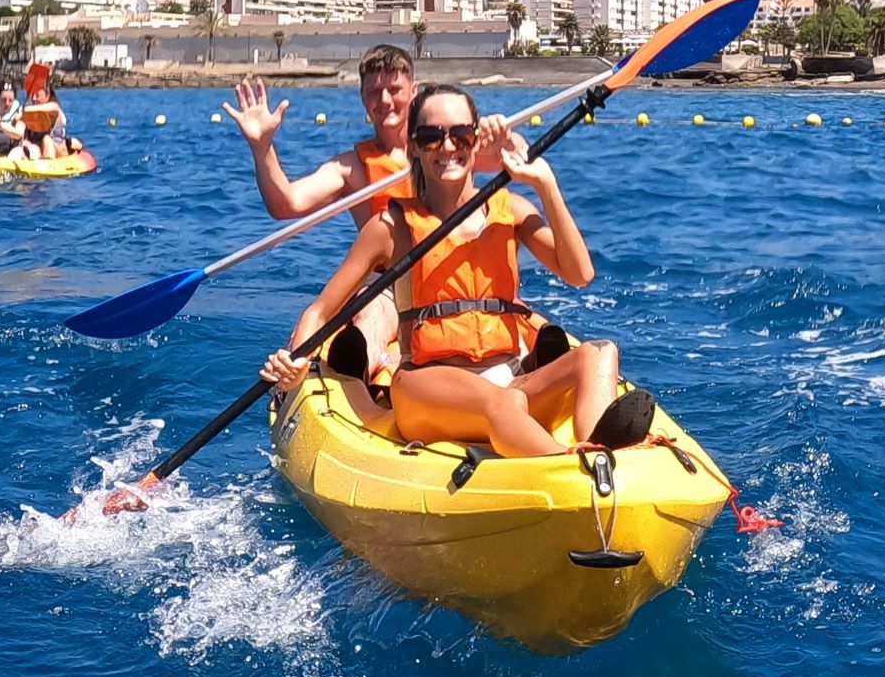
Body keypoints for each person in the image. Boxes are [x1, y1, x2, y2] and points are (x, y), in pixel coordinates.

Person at [260, 83, 653, 458]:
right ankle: (574, 468)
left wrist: (546, 185)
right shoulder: (390, 228)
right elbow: (320, 312)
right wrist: (294, 366)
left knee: (599, 353)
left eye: (461, 134)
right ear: (414, 146)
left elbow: (580, 274)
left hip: (509, 378)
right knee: (501, 403)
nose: (447, 146)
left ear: (476, 140)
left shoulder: (511, 210)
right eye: (431, 136)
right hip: (426, 388)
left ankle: (602, 453)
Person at [224, 45, 514, 378]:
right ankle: (362, 374)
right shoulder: (352, 168)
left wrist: (501, 135)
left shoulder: (455, 151)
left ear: (414, 92)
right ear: (363, 99)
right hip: (392, 286)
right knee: (372, 314)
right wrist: (262, 148)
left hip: (461, 279)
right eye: (375, 92)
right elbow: (286, 203)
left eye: (395, 90)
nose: (386, 100)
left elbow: (518, 159)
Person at [18, 79, 70, 159]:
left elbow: (54, 107)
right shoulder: (30, 108)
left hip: (58, 152)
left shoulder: (54, 108)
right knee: (25, 143)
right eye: (32, 95)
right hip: (38, 151)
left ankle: (48, 166)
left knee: (47, 139)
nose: (34, 99)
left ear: (47, 95)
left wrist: (23, 110)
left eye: (37, 96)